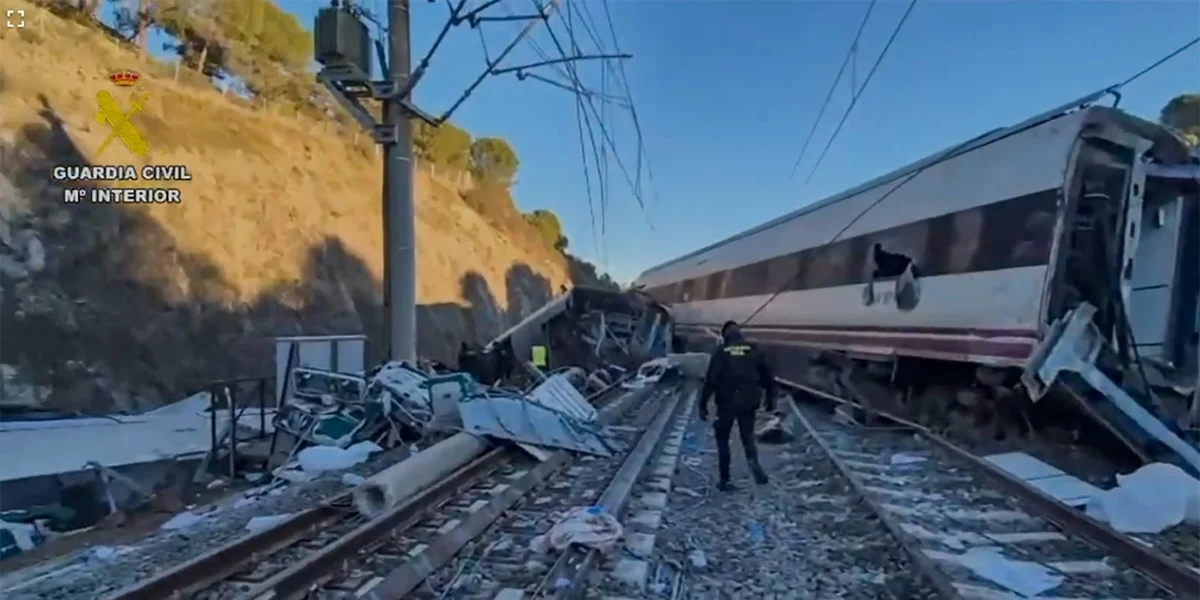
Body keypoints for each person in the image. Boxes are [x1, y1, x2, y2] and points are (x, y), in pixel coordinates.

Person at [699, 320, 777, 491]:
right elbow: (768, 377)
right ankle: (754, 465)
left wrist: (702, 404)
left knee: (722, 440)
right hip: (749, 401)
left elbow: (711, 379)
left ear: (725, 335)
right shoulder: (754, 349)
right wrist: (771, 400)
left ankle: (725, 480)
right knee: (747, 437)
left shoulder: (722, 351)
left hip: (727, 402)